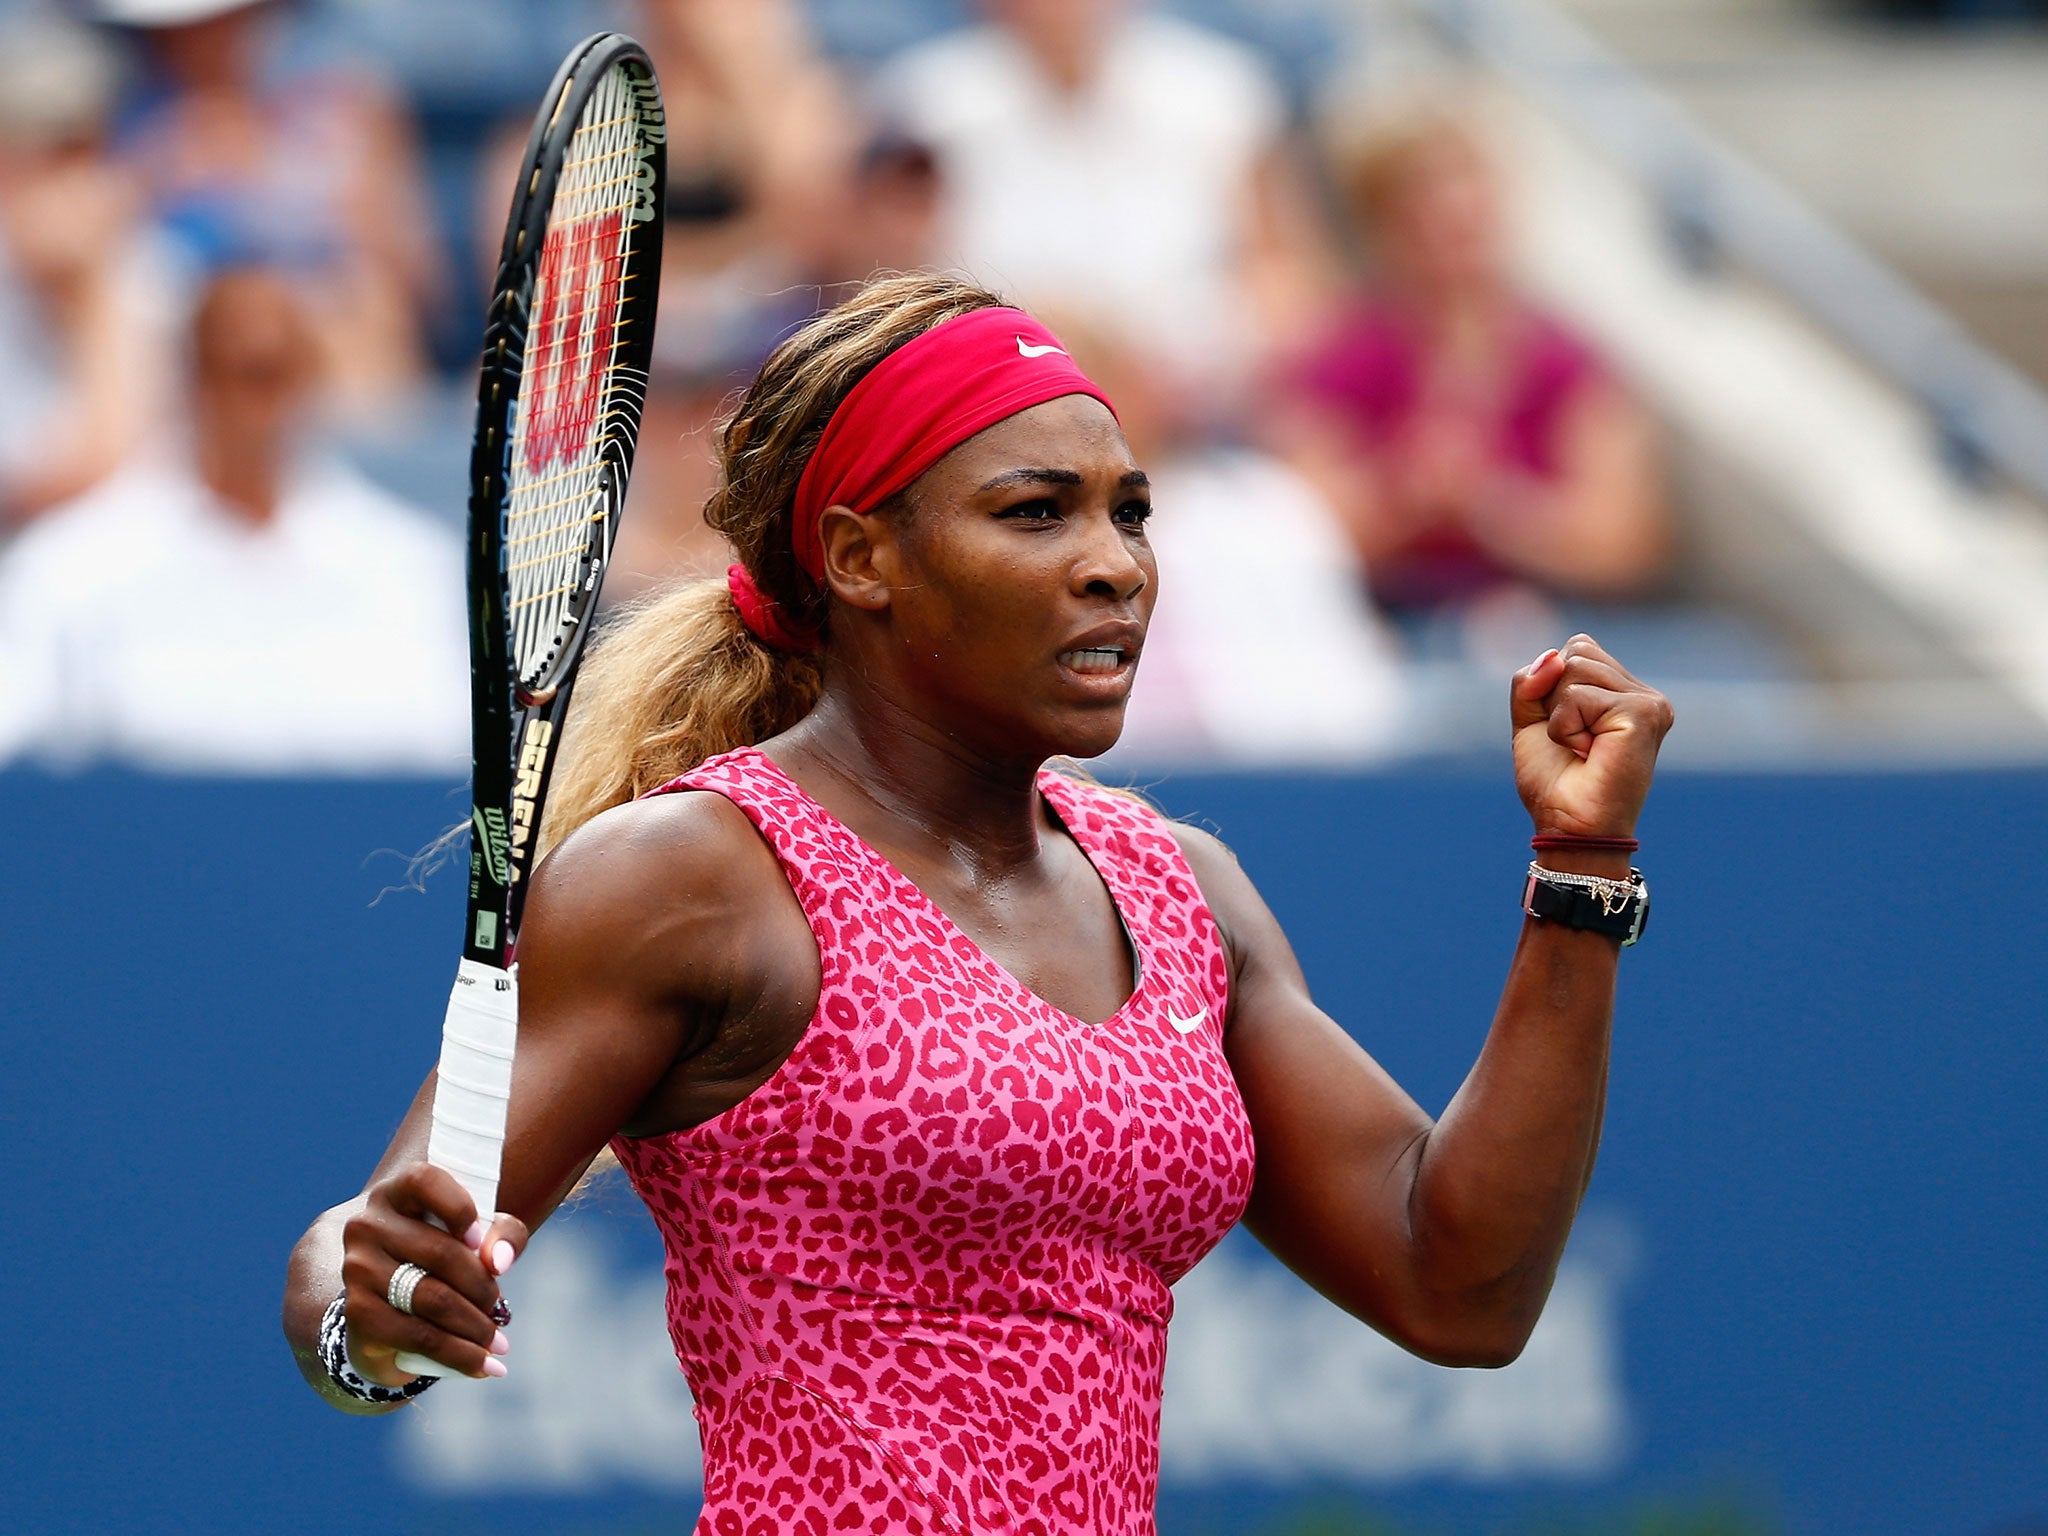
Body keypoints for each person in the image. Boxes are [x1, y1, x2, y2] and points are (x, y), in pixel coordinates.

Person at [282, 275, 1673, 1534]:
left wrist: (1580, 870)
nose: (1114, 562)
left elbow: (1458, 1286)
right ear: (860, 557)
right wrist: (373, 1309)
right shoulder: (688, 875)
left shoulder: (1183, 891)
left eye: (1130, 510)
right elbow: (370, 1254)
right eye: (1035, 511)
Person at [0, 266, 467, 772]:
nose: (259, 409)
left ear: (309, 379)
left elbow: (451, 753)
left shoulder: (413, 569)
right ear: (191, 382)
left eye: (273, 374)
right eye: (235, 373)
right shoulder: (69, 570)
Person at [1277, 106, 1670, 617]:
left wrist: (1491, 506)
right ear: (1384, 228)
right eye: (1426, 216)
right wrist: (1410, 496)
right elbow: (1299, 534)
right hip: (1387, 617)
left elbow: (1625, 545)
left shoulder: (1568, 361)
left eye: (1468, 215)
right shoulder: (1339, 359)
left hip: (1553, 615)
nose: (1454, 231)